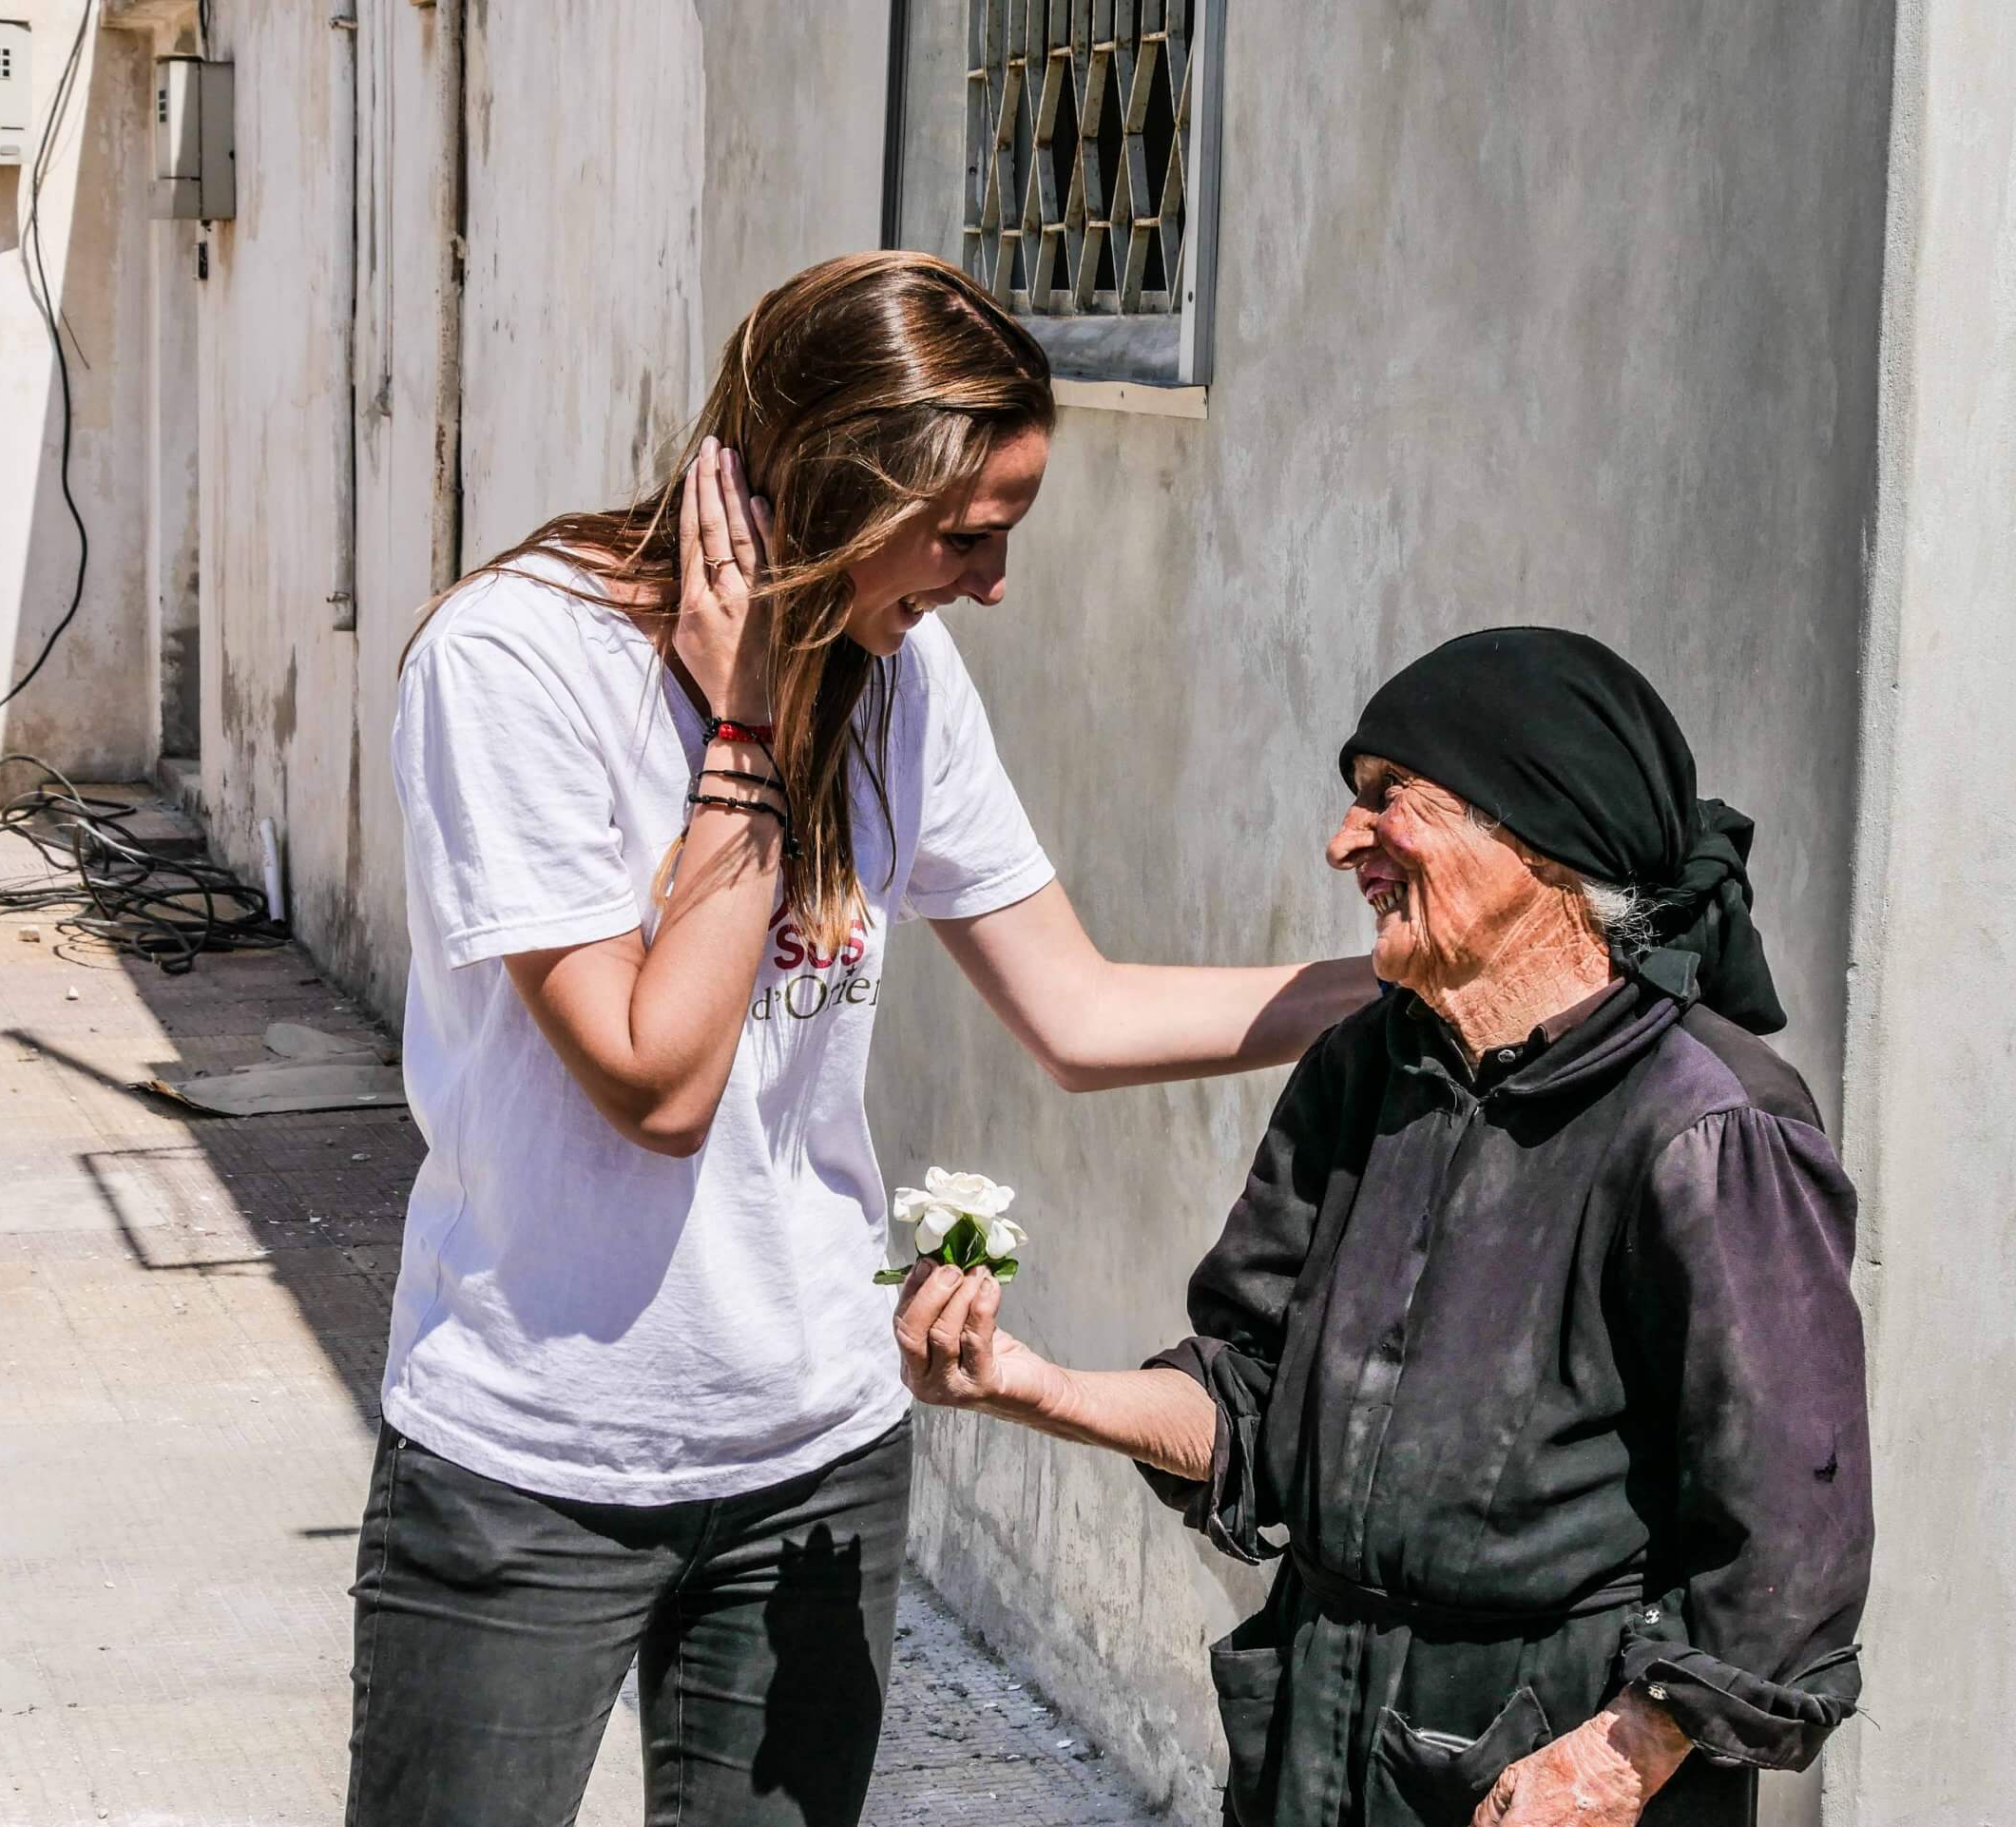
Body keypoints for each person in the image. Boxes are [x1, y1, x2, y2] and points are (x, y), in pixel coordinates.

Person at [346, 250, 1377, 1827]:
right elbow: (658, 1078)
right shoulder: (514, 662)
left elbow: (1079, 1010)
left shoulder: (900, 680)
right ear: (835, 481)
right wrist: (747, 729)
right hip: (530, 1463)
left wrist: (1408, 978)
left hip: (815, 1459)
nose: (992, 582)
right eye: (966, 536)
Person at [896, 626, 1873, 1827]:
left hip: (1551, 1764)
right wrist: (1027, 1385)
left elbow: (1792, 1532)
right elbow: (1251, 1403)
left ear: (1534, 834)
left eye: (1386, 800)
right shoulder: (1365, 1069)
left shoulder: (1708, 1126)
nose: (1341, 841)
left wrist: (1618, 1755)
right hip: (1320, 1743)